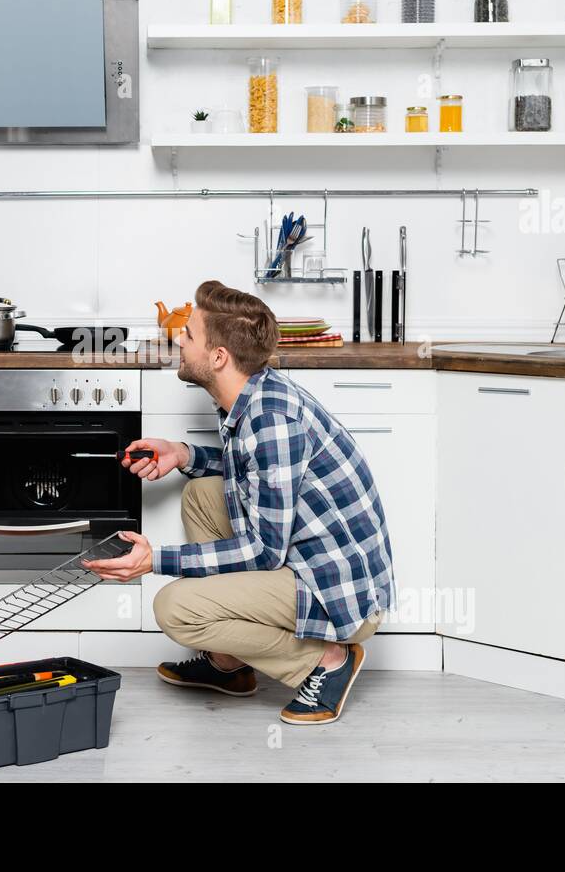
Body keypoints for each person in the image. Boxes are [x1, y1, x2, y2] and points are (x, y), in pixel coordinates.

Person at [84, 281, 395, 725]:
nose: (179, 340)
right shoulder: (251, 394)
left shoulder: (272, 421)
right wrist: (183, 454)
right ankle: (229, 662)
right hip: (309, 557)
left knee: (173, 608)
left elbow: (263, 552)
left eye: (189, 335)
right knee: (199, 495)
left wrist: (156, 560)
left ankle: (326, 661)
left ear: (218, 357)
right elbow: (255, 474)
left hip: (336, 589)